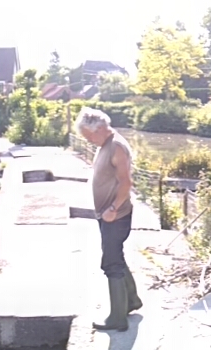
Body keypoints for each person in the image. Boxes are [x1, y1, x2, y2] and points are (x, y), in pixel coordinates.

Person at [77, 108, 142, 331]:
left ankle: (117, 319)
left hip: (116, 214)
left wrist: (113, 208)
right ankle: (131, 301)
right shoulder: (105, 144)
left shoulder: (116, 147)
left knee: (111, 262)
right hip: (107, 213)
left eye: (89, 136)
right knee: (116, 257)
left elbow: (126, 183)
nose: (88, 140)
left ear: (101, 129)